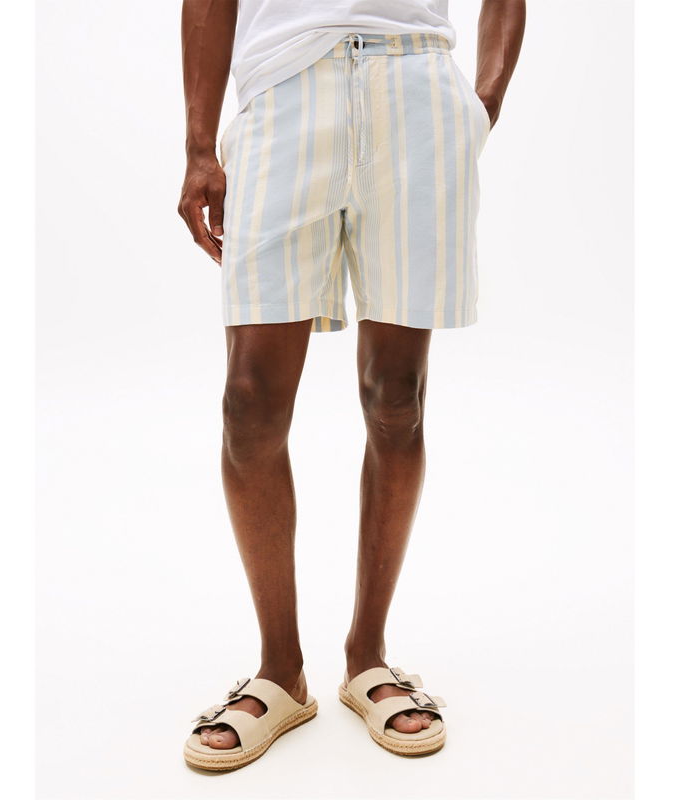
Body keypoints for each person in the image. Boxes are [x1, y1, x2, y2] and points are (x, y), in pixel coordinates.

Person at [178, 0, 525, 770]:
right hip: (282, 91)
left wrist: (483, 101)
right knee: (249, 404)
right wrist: (200, 145)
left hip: (417, 86)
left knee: (396, 398)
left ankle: (368, 658)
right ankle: (281, 671)